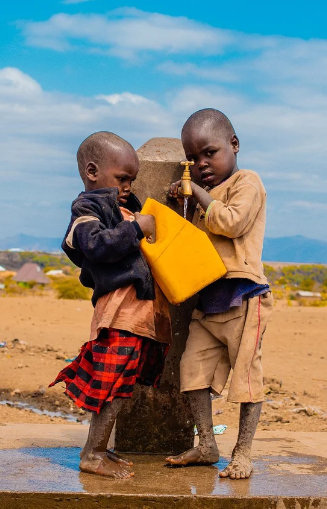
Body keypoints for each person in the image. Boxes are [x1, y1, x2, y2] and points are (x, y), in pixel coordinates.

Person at [50, 131, 171, 479]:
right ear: (92, 171)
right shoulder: (88, 208)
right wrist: (135, 229)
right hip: (119, 311)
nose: (128, 186)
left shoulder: (126, 206)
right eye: (122, 178)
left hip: (139, 312)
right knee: (112, 383)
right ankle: (93, 454)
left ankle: (98, 449)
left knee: (124, 382)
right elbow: (93, 244)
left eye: (131, 180)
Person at [166, 108, 273, 479]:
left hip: (244, 297)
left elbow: (231, 221)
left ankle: (243, 453)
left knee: (246, 377)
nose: (201, 164)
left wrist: (195, 192)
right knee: (191, 371)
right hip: (207, 301)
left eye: (209, 152)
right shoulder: (202, 196)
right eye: (192, 159)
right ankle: (207, 444)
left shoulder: (247, 182)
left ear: (235, 144)